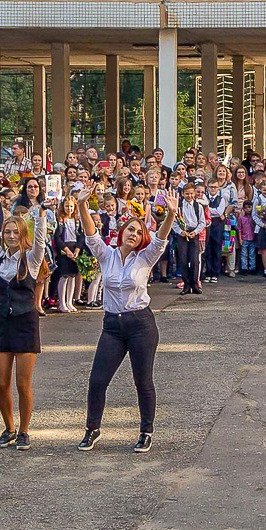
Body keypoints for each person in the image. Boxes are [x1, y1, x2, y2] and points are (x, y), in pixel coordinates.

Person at [74, 190, 170, 453]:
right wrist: (82, 204)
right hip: (113, 326)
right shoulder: (107, 255)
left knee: (143, 381)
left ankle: (146, 432)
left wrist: (171, 214)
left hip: (141, 324)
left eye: (139, 232)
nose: (134, 234)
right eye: (130, 229)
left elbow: (161, 239)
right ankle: (92, 429)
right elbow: (91, 235)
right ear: (122, 232)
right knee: (97, 380)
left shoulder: (145, 257)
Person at [0, 199, 47, 448]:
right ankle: (8, 428)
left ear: (22, 234)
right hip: (3, 323)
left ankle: (24, 430)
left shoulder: (30, 259)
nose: (10, 236)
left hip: (25, 323)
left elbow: (40, 242)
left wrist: (41, 216)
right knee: (1, 383)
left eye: (15, 232)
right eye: (7, 232)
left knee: (23, 384)